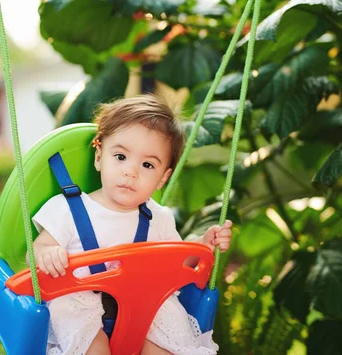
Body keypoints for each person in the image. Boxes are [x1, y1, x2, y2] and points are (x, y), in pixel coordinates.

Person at [32, 95, 233, 355]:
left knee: (165, 331)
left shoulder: (158, 218)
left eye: (148, 164)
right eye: (120, 157)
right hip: (79, 302)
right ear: (99, 156)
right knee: (86, 340)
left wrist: (203, 245)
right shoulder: (67, 209)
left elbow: (178, 263)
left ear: (163, 178)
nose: (131, 172)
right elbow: (36, 249)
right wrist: (48, 253)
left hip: (144, 303)